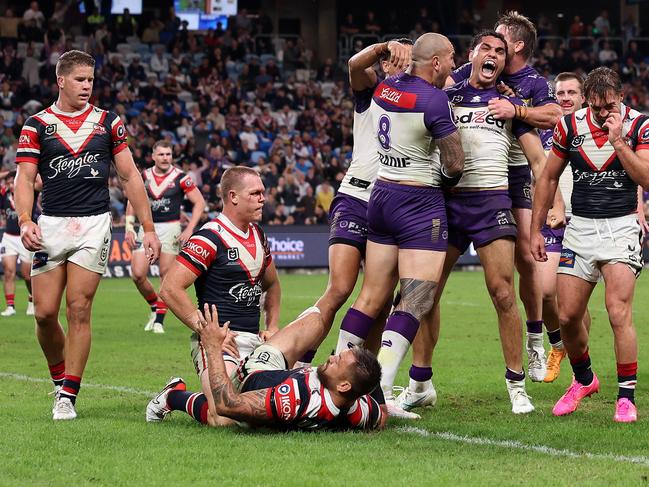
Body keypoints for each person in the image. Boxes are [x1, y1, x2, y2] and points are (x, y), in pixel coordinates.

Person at [404, 31, 545, 415]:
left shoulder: (509, 105)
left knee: (502, 294)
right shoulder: (444, 99)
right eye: (486, 48)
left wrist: (553, 203)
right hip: (446, 203)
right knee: (426, 294)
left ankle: (516, 385)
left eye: (500, 51)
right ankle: (419, 383)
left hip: (492, 204)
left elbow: (538, 161)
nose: (493, 54)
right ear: (471, 55)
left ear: (503, 62)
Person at [14, 50, 161, 421]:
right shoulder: (37, 124)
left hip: (94, 225)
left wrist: (148, 228)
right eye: (80, 79)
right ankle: (58, 376)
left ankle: (67, 395)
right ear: (61, 81)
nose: (87, 86)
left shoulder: (108, 123)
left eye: (91, 80)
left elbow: (129, 177)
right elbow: (25, 178)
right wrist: (25, 219)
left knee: (78, 309)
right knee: (45, 314)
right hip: (50, 227)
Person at [336, 33, 464, 419]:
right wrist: (445, 178)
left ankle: (332, 370)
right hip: (417, 202)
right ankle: (382, 391)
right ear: (436, 63)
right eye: (451, 59)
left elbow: (358, 67)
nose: (454, 66)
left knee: (370, 297)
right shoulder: (433, 99)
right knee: (417, 298)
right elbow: (455, 163)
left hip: (381, 197)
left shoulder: (386, 87)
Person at [449, 12, 563, 381]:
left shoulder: (532, 81)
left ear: (514, 45)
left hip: (516, 174)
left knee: (528, 260)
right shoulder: (473, 69)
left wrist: (517, 109)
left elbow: (554, 115)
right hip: (479, 169)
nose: (492, 47)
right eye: (486, 44)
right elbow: (445, 85)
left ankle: (534, 342)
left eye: (499, 40)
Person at [531, 67, 649, 423]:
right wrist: (536, 229)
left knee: (617, 311)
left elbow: (645, 177)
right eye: (596, 108)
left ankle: (625, 397)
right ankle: (585, 379)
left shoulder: (639, 125)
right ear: (588, 101)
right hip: (580, 228)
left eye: (608, 105)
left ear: (621, 97)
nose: (602, 114)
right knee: (567, 316)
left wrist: (617, 141)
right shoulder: (569, 126)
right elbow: (549, 176)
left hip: (622, 228)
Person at [293, 38, 412, 368]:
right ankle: (299, 361)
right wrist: (382, 47)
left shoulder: (421, 99)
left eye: (408, 58)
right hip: (356, 198)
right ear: (385, 65)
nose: (401, 63)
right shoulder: (371, 90)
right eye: (394, 58)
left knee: (382, 300)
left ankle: (362, 373)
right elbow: (354, 66)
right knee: (340, 288)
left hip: (391, 205)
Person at [158, 166, 281, 427]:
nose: (263, 198)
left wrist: (272, 327)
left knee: (268, 408)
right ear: (233, 196)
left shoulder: (258, 234)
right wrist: (207, 332)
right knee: (224, 418)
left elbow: (272, 285)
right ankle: (174, 396)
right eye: (256, 193)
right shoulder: (209, 237)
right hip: (220, 345)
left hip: (255, 343)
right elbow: (170, 288)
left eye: (263, 192)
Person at [146, 305, 386, 431]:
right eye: (338, 355)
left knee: (222, 419)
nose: (332, 357)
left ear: (344, 385)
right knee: (316, 318)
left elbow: (226, 404)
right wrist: (370, 376)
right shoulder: (358, 410)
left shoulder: (295, 398)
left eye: (339, 362)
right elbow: (381, 415)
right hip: (278, 366)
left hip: (252, 372)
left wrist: (211, 346)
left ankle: (172, 395)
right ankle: (272, 340)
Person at [536, 72, 592, 383]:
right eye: (561, 93)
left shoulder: (593, 128)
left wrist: (638, 205)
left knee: (576, 302)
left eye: (572, 92)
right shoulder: (545, 131)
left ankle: (579, 365)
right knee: (545, 292)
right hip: (551, 222)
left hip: (583, 220)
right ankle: (557, 344)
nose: (566, 97)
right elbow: (538, 174)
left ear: (583, 97)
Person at [124, 140, 205, 334]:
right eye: (161, 154)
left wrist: (189, 229)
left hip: (171, 228)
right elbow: (132, 201)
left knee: (165, 274)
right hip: (148, 226)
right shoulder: (143, 176)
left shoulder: (181, 178)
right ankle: (154, 305)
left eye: (168, 154)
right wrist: (129, 227)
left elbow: (199, 203)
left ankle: (159, 320)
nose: (165, 158)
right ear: (153, 156)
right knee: (137, 273)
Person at [0, 171, 38, 316]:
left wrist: (22, 175)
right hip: (9, 237)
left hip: (26, 235)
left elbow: (39, 184)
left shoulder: (30, 191)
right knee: (8, 271)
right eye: (8, 182)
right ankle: (10, 306)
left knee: (27, 274)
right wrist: (9, 173)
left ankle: (32, 299)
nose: (10, 185)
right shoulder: (4, 196)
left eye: (13, 181)